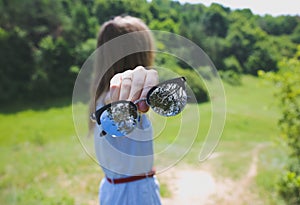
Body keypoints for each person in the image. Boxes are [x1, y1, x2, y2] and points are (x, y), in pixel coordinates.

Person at [89, 15, 162, 205]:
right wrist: (138, 79)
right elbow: (116, 100)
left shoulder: (100, 98)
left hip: (116, 191)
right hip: (134, 196)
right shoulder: (115, 100)